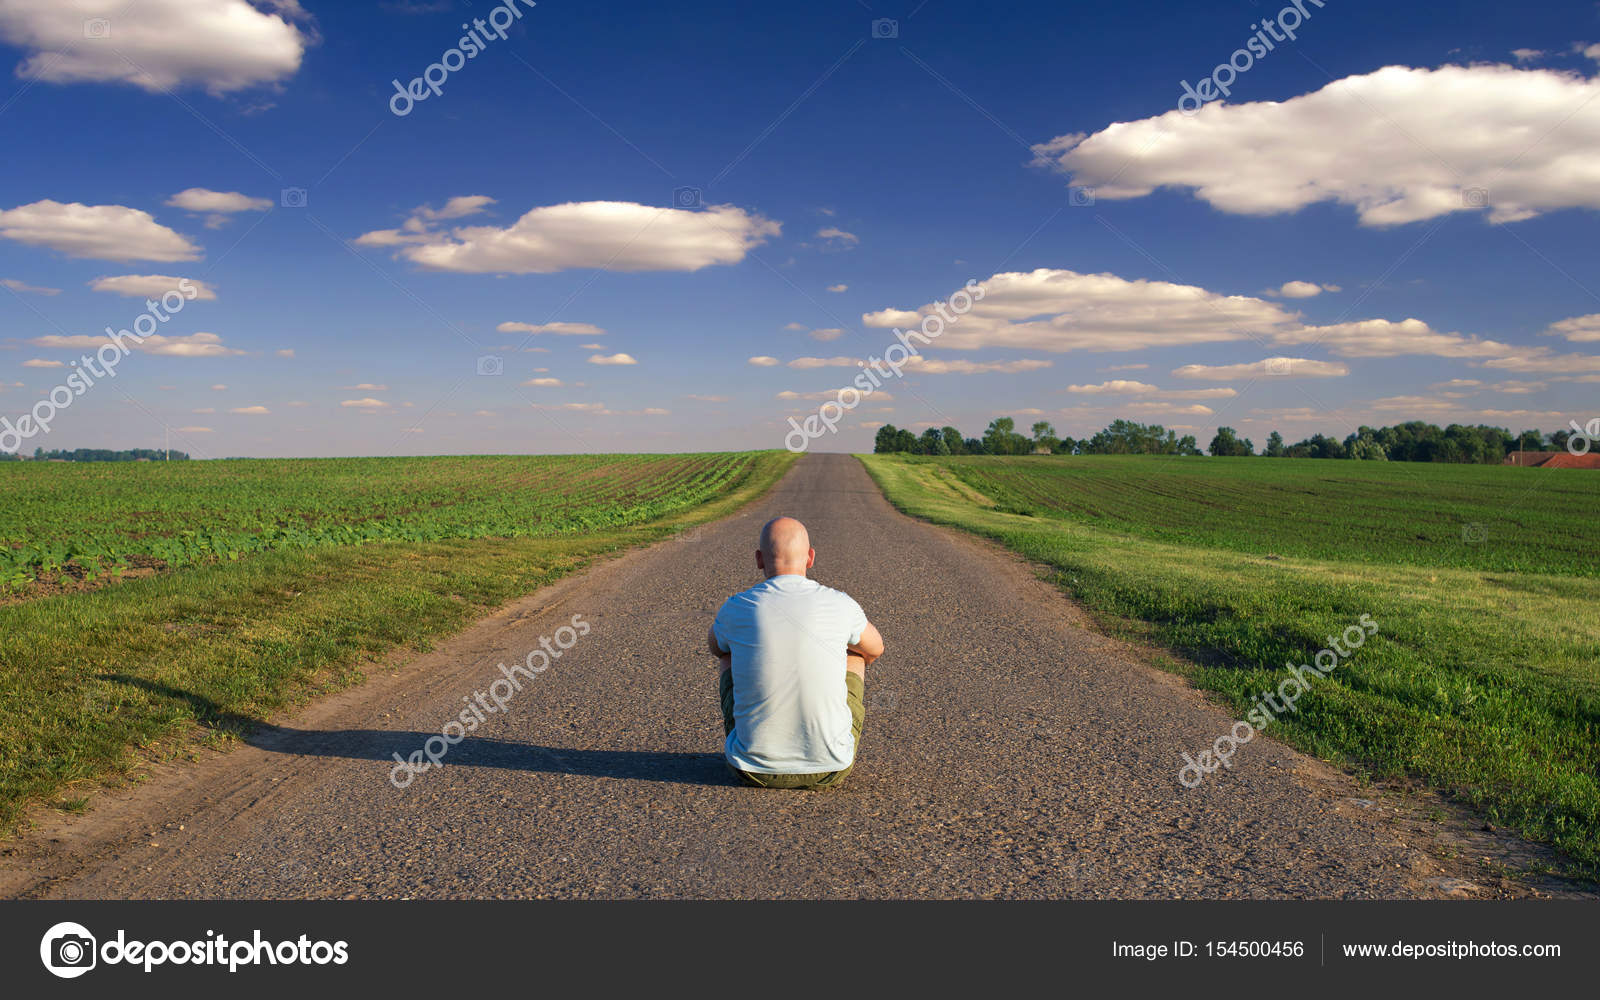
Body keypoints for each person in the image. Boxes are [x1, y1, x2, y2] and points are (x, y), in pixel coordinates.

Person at [707, 516, 884, 789]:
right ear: (810, 557)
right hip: (832, 768)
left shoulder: (737, 606)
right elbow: (876, 648)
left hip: (749, 769)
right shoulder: (840, 603)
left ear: (759, 559)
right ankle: (824, 741)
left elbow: (716, 648)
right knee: (856, 653)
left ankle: (757, 743)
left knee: (729, 652)